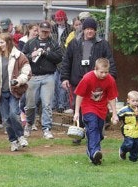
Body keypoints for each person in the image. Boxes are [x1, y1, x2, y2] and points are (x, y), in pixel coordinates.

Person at [61, 17, 117, 145]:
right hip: (78, 80)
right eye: (87, 29)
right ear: (83, 29)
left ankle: (96, 132)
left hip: (96, 82)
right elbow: (66, 61)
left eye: (92, 29)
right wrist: (64, 78)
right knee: (78, 106)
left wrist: (111, 77)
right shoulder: (74, 43)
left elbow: (109, 61)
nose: (89, 31)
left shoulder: (102, 44)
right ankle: (78, 133)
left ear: (96, 31)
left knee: (97, 106)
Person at [22, 21, 63, 139]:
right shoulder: (30, 43)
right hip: (33, 76)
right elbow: (23, 58)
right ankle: (29, 124)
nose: (44, 33)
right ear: (38, 30)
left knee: (47, 104)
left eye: (47, 31)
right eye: (42, 31)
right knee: (30, 104)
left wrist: (45, 53)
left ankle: (46, 128)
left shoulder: (54, 44)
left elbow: (59, 58)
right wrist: (31, 55)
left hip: (48, 76)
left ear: (50, 31)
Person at [73, 58, 118, 165]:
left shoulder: (110, 80)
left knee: (99, 133)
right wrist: (76, 112)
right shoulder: (87, 78)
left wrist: (114, 113)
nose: (104, 74)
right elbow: (79, 95)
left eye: (106, 72)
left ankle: (92, 152)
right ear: (95, 69)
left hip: (102, 109)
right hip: (88, 107)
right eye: (101, 72)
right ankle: (95, 153)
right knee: (93, 127)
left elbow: (112, 97)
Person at [51, 10, 72, 114]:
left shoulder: (70, 28)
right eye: (58, 20)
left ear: (65, 19)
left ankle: (61, 105)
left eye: (61, 20)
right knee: (54, 82)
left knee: (62, 82)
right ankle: (54, 104)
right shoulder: (53, 28)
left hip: (64, 56)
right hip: (54, 56)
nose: (59, 22)